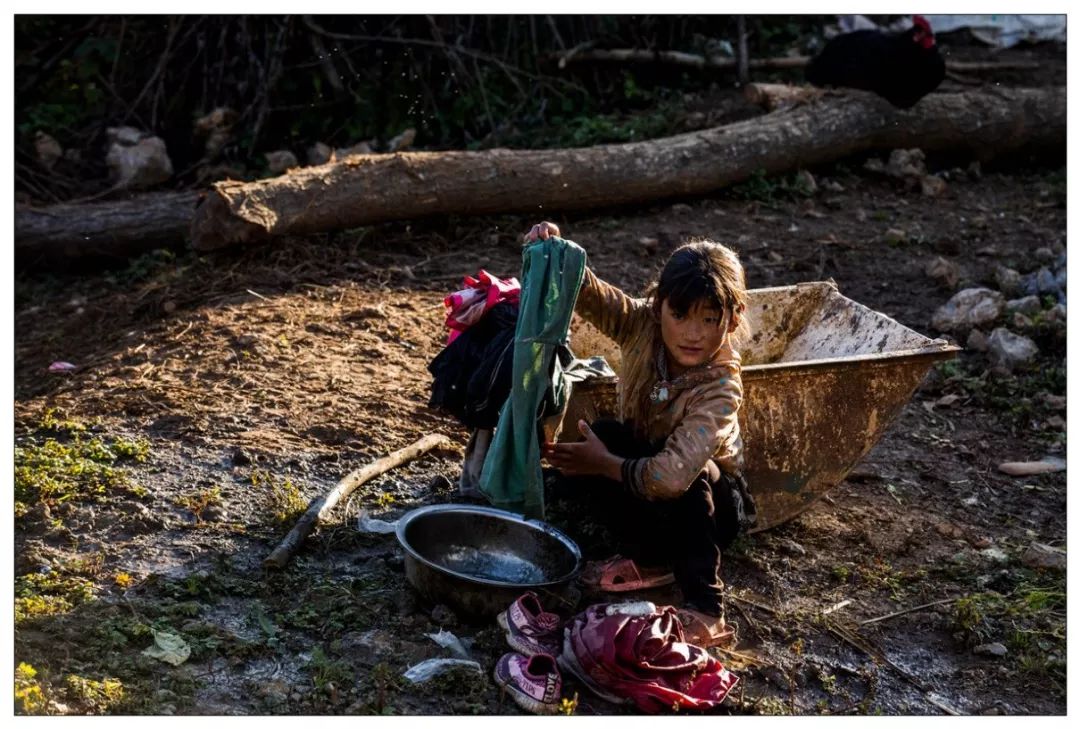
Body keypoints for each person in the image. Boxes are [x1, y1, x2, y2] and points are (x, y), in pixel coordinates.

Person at [527, 221, 756, 648]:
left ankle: (707, 610)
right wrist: (558, 252)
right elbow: (593, 296)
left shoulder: (720, 386)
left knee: (693, 477)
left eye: (710, 319)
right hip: (648, 484)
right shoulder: (641, 327)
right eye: (680, 314)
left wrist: (605, 465)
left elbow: (671, 478)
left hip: (707, 510)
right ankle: (650, 561)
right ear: (658, 306)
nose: (693, 333)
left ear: (734, 317)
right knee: (603, 433)